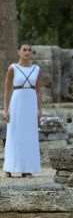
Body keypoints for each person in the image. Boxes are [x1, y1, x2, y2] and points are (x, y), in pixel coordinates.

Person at [2, 41, 42, 178]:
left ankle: (27, 169)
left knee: (29, 136)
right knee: (14, 135)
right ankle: (8, 168)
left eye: (29, 50)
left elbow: (38, 91)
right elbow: (7, 90)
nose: (27, 52)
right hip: (16, 103)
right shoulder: (12, 68)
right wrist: (5, 110)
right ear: (19, 51)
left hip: (30, 104)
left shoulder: (36, 69)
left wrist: (39, 109)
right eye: (24, 50)